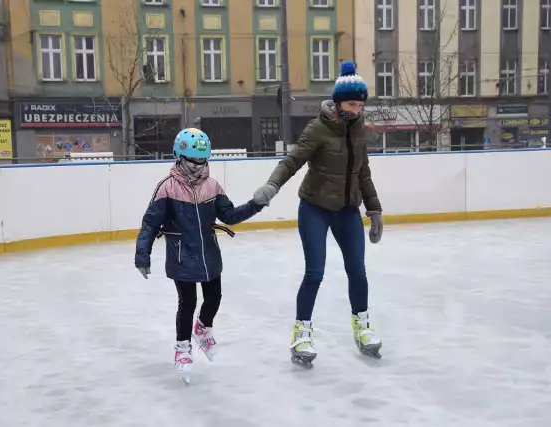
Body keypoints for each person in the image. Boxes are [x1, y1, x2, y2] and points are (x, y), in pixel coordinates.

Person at [253, 61, 384, 366]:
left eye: (361, 104)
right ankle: (301, 334)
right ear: (338, 103)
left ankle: (362, 328)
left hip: (348, 210)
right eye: (353, 103)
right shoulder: (318, 128)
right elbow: (292, 161)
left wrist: (374, 209)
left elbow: (363, 172)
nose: (358, 109)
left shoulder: (358, 130)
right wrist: (272, 186)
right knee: (315, 273)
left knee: (358, 271)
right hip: (315, 209)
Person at [135, 128, 264, 382]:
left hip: (209, 254)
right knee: (188, 302)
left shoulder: (212, 186)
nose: (198, 166)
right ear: (180, 157)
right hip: (182, 255)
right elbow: (150, 224)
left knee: (214, 296)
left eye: (202, 160)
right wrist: (143, 256)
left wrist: (255, 204)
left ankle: (203, 328)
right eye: (193, 160)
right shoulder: (167, 188)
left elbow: (229, 216)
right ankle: (182, 348)